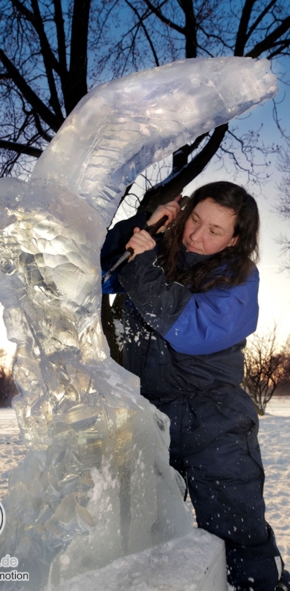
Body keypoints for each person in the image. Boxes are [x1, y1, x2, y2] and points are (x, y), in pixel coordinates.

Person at [101, 181, 290, 591]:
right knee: (141, 534)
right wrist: (144, 225)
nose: (196, 236)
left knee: (237, 536)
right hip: (147, 417)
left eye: (214, 231)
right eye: (195, 221)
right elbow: (100, 272)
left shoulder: (238, 278)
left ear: (235, 239)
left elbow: (190, 329)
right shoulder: (155, 255)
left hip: (214, 423)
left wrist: (141, 266)